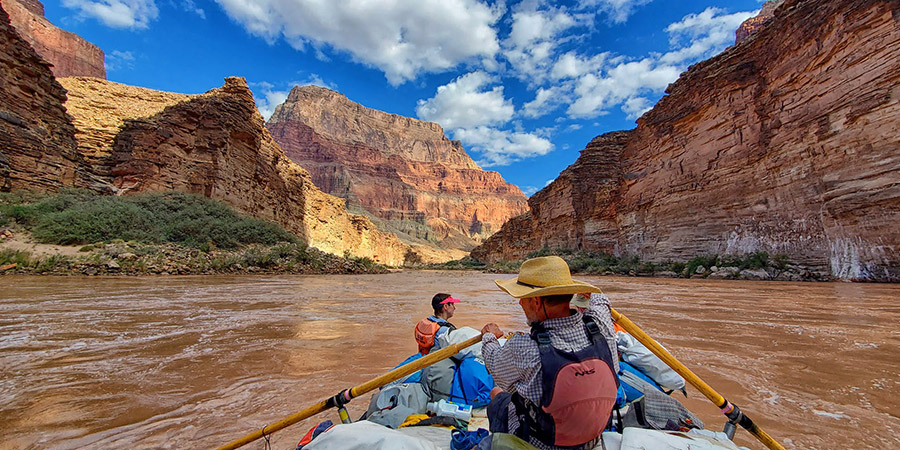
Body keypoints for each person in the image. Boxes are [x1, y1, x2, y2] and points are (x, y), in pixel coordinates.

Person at [481, 256, 619, 450]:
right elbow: (599, 298)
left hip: (543, 443)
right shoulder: (601, 325)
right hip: (590, 439)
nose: (520, 304)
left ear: (537, 302)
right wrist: (577, 297)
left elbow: (494, 365)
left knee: (497, 395)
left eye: (523, 298)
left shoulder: (524, 347)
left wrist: (489, 337)